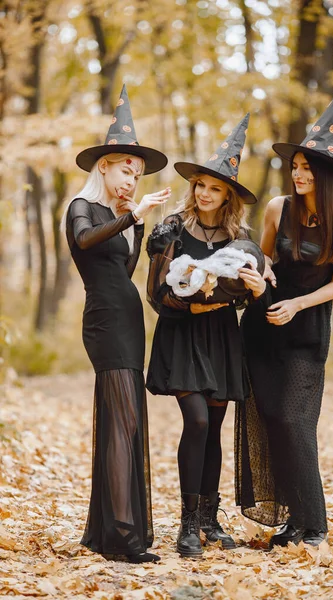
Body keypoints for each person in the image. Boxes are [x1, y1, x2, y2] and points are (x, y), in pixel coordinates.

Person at [236, 88, 333, 548]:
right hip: (263, 324)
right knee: (271, 419)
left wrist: (298, 304)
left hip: (307, 329)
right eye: (295, 167)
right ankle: (293, 521)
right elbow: (265, 258)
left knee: (294, 421)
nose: (297, 174)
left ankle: (316, 525)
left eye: (307, 169)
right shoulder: (278, 208)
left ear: (327, 175)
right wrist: (263, 273)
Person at [146, 114, 266, 558]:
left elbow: (251, 291)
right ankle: (186, 525)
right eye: (200, 184)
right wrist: (193, 302)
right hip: (182, 332)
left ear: (228, 196)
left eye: (214, 188)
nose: (204, 193)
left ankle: (209, 520)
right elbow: (156, 292)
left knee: (213, 428)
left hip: (220, 337)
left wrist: (254, 290)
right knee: (195, 420)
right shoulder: (172, 228)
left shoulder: (243, 240)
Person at [61, 85, 171, 563]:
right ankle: (122, 536)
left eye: (138, 174)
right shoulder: (81, 208)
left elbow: (124, 272)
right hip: (104, 320)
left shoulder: (121, 215)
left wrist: (139, 223)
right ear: (103, 165)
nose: (132, 179)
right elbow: (86, 243)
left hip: (129, 316)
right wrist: (132, 218)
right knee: (121, 418)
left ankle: (115, 527)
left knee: (125, 421)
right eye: (127, 169)